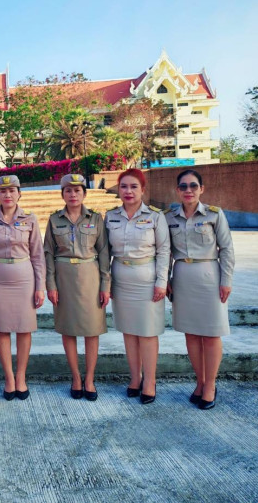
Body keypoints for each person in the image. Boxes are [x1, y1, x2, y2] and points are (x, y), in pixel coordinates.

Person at [165, 169, 234, 410]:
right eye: (183, 186)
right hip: (182, 277)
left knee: (211, 333)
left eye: (193, 185)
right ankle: (200, 381)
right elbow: (165, 252)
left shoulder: (214, 214)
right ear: (177, 190)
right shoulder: (169, 217)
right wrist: (166, 278)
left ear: (201, 189)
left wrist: (226, 280)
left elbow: (226, 248)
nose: (188, 190)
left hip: (209, 276)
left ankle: (211, 385)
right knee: (192, 334)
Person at [0, 175, 45, 400]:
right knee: (2, 329)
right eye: (3, 191)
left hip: (24, 279)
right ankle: (9, 378)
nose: (7, 195)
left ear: (19, 193)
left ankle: (21, 377)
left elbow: (38, 255)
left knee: (25, 328)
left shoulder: (30, 218)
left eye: (12, 190)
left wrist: (40, 286)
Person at [104, 168, 170, 404]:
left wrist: (162, 282)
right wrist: (107, 283)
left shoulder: (155, 216)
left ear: (143, 189)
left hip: (147, 279)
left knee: (148, 332)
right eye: (124, 186)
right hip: (121, 278)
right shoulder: (111, 216)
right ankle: (135, 378)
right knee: (129, 331)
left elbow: (164, 251)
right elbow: (105, 253)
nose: (128, 191)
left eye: (134, 187)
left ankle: (150, 381)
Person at [43, 174, 111, 401]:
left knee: (92, 330)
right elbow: (48, 253)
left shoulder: (96, 219)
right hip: (64, 278)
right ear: (62, 194)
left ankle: (89, 378)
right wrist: (51, 284)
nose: (73, 194)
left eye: (77, 190)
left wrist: (105, 285)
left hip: (90, 277)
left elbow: (104, 252)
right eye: (68, 190)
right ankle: (76, 378)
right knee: (68, 330)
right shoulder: (54, 220)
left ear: (84, 193)